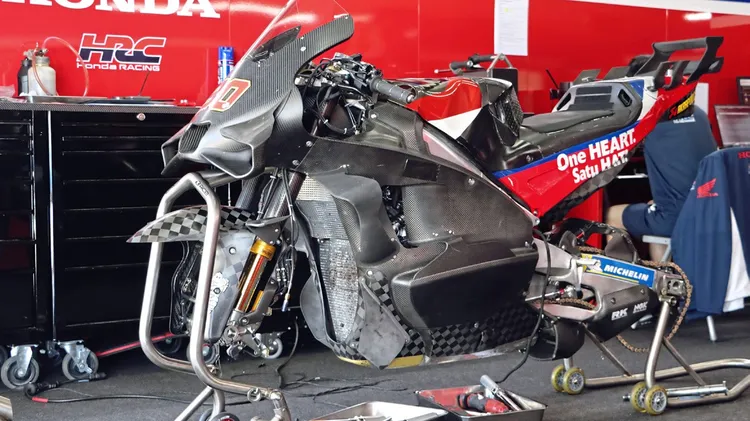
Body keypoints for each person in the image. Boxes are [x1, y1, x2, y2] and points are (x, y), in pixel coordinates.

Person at [606, 57, 718, 260]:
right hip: (709, 209)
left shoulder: (646, 117)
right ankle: (662, 274)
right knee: (655, 205)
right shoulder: (699, 113)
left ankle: (622, 278)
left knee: (611, 215)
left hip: (674, 217)